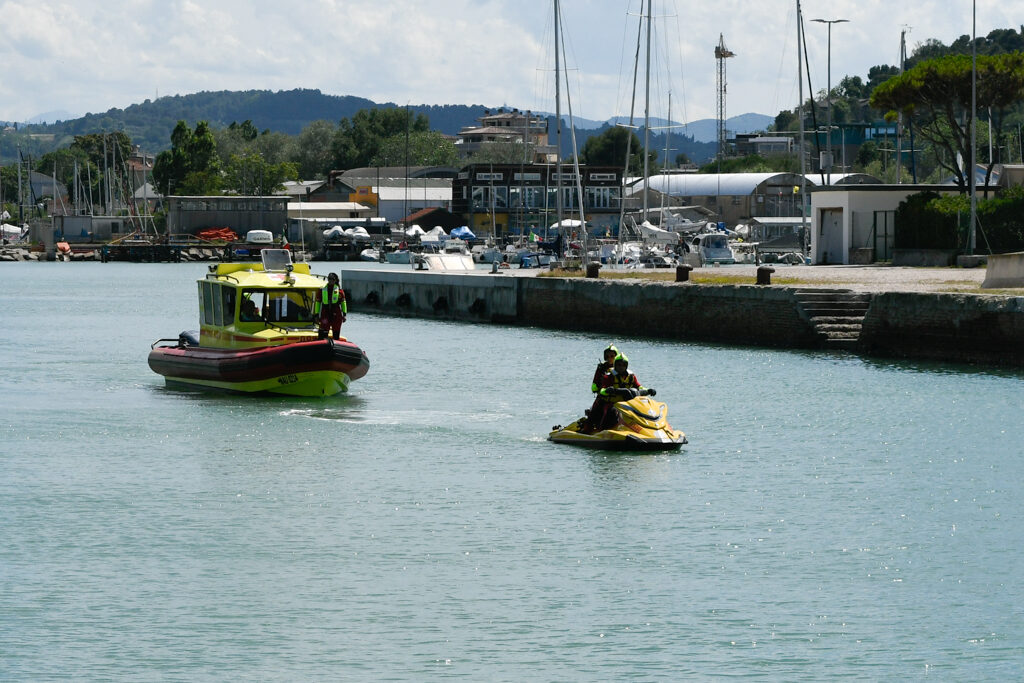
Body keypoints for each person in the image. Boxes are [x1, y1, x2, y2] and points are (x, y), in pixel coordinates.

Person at [314, 272, 347, 340]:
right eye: (329, 279)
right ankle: (321, 343)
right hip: (325, 313)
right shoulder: (322, 290)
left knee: (336, 332)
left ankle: (335, 344)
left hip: (336, 314)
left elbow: (343, 303)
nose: (331, 280)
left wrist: (344, 314)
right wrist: (316, 315)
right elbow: (318, 303)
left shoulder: (340, 292)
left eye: (332, 279)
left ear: (335, 280)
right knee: (323, 331)